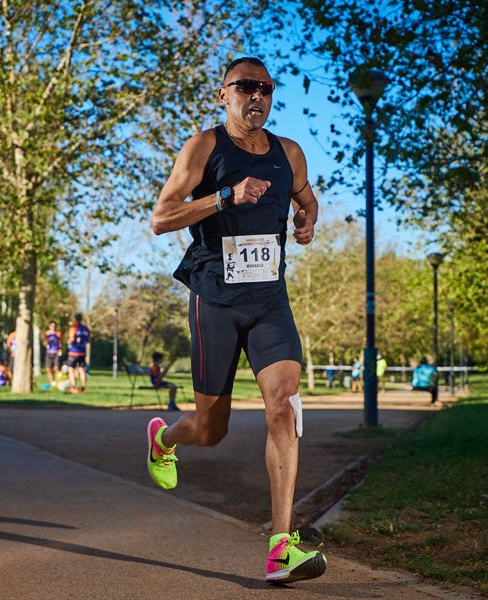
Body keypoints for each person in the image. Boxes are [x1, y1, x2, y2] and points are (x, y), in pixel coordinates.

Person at [146, 56, 326, 584]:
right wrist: (225, 195)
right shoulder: (205, 147)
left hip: (270, 300)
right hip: (215, 300)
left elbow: (307, 198)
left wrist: (306, 218)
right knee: (211, 429)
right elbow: (161, 218)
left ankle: (280, 546)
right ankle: (165, 439)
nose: (258, 96)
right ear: (223, 94)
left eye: (266, 88)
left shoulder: (288, 153)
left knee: (284, 406)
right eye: (246, 86)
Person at [66, 313, 90, 393]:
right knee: (82, 369)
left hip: (73, 352)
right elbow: (88, 340)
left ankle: (73, 387)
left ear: (75, 319)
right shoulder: (86, 328)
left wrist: (68, 341)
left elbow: (71, 339)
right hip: (82, 352)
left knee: (71, 369)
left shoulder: (73, 328)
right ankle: (83, 387)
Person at [43, 320, 62, 388]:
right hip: (49, 352)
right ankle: (52, 382)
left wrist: (60, 350)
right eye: (52, 326)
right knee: (48, 369)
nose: (53, 327)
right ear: (49, 326)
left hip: (56, 352)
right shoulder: (47, 333)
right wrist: (48, 340)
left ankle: (58, 382)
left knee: (56, 368)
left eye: (54, 326)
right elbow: (44, 343)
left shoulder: (58, 333)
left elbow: (60, 343)